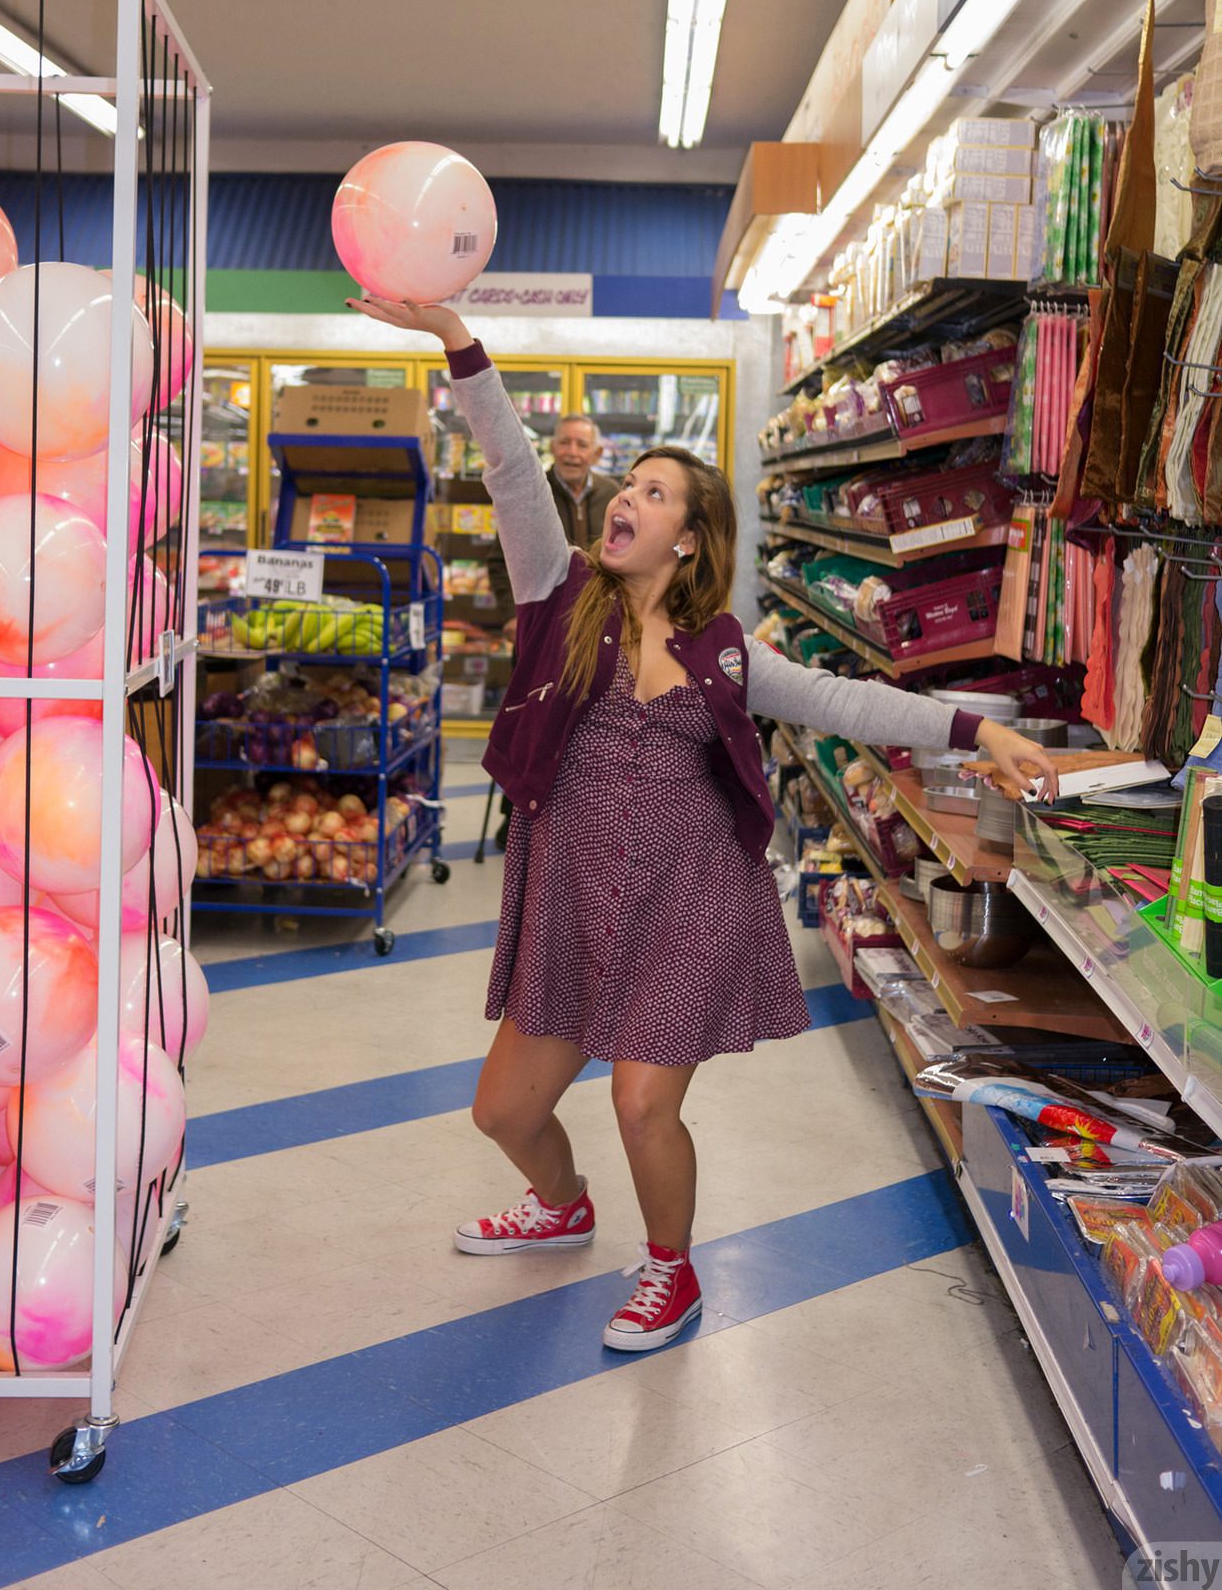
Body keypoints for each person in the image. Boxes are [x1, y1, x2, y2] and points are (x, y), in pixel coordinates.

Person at [349, 291, 1059, 1355]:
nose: (624, 499)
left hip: (689, 900)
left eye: (653, 491)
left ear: (687, 539)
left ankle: (669, 1272)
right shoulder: (557, 595)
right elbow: (508, 469)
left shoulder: (725, 651)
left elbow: (847, 702)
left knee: (643, 1102)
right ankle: (562, 1206)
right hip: (573, 903)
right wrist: (459, 342)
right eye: (626, 484)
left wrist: (978, 729)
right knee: (501, 1113)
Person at [487, 415, 620, 845]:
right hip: (538, 631)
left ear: (596, 453)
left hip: (597, 634)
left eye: (581, 445)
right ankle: (515, 815)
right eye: (565, 443)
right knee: (527, 723)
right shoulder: (533, 492)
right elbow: (498, 561)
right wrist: (510, 615)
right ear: (553, 447)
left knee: (583, 724)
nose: (572, 453)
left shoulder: (615, 496)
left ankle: (575, 814)